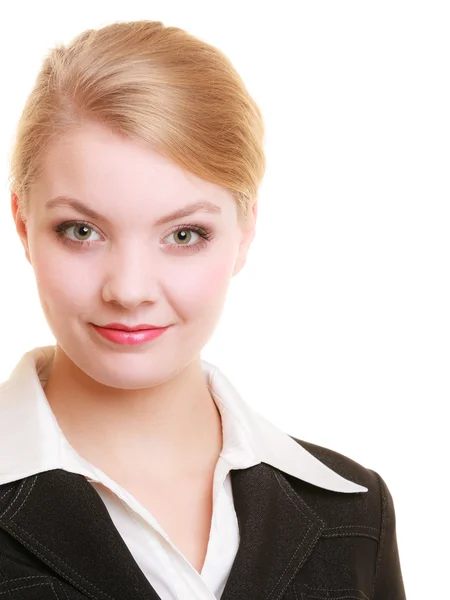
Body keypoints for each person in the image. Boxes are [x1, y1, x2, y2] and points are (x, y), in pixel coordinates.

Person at [0, 19, 406, 600]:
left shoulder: (355, 513)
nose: (130, 289)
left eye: (185, 235)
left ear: (244, 232)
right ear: (22, 224)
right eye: (82, 230)